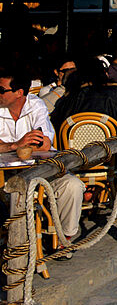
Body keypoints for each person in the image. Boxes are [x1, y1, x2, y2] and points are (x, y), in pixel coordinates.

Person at [0, 67, 85, 248]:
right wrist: (16, 145)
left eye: (1, 90)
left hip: (40, 172)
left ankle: (64, 239)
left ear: (19, 93)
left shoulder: (35, 104)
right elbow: (30, 144)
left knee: (72, 185)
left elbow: (44, 143)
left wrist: (7, 146)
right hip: (5, 176)